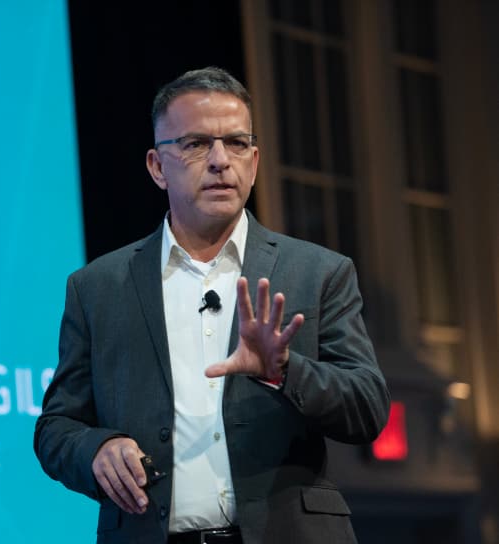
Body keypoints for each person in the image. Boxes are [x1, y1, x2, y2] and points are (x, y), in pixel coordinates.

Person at [34, 67, 390, 544]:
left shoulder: (319, 272)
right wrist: (96, 448)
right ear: (157, 167)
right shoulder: (98, 288)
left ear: (254, 163)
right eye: (196, 144)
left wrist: (285, 371)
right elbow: (56, 427)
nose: (221, 160)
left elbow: (368, 407)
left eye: (237, 143)